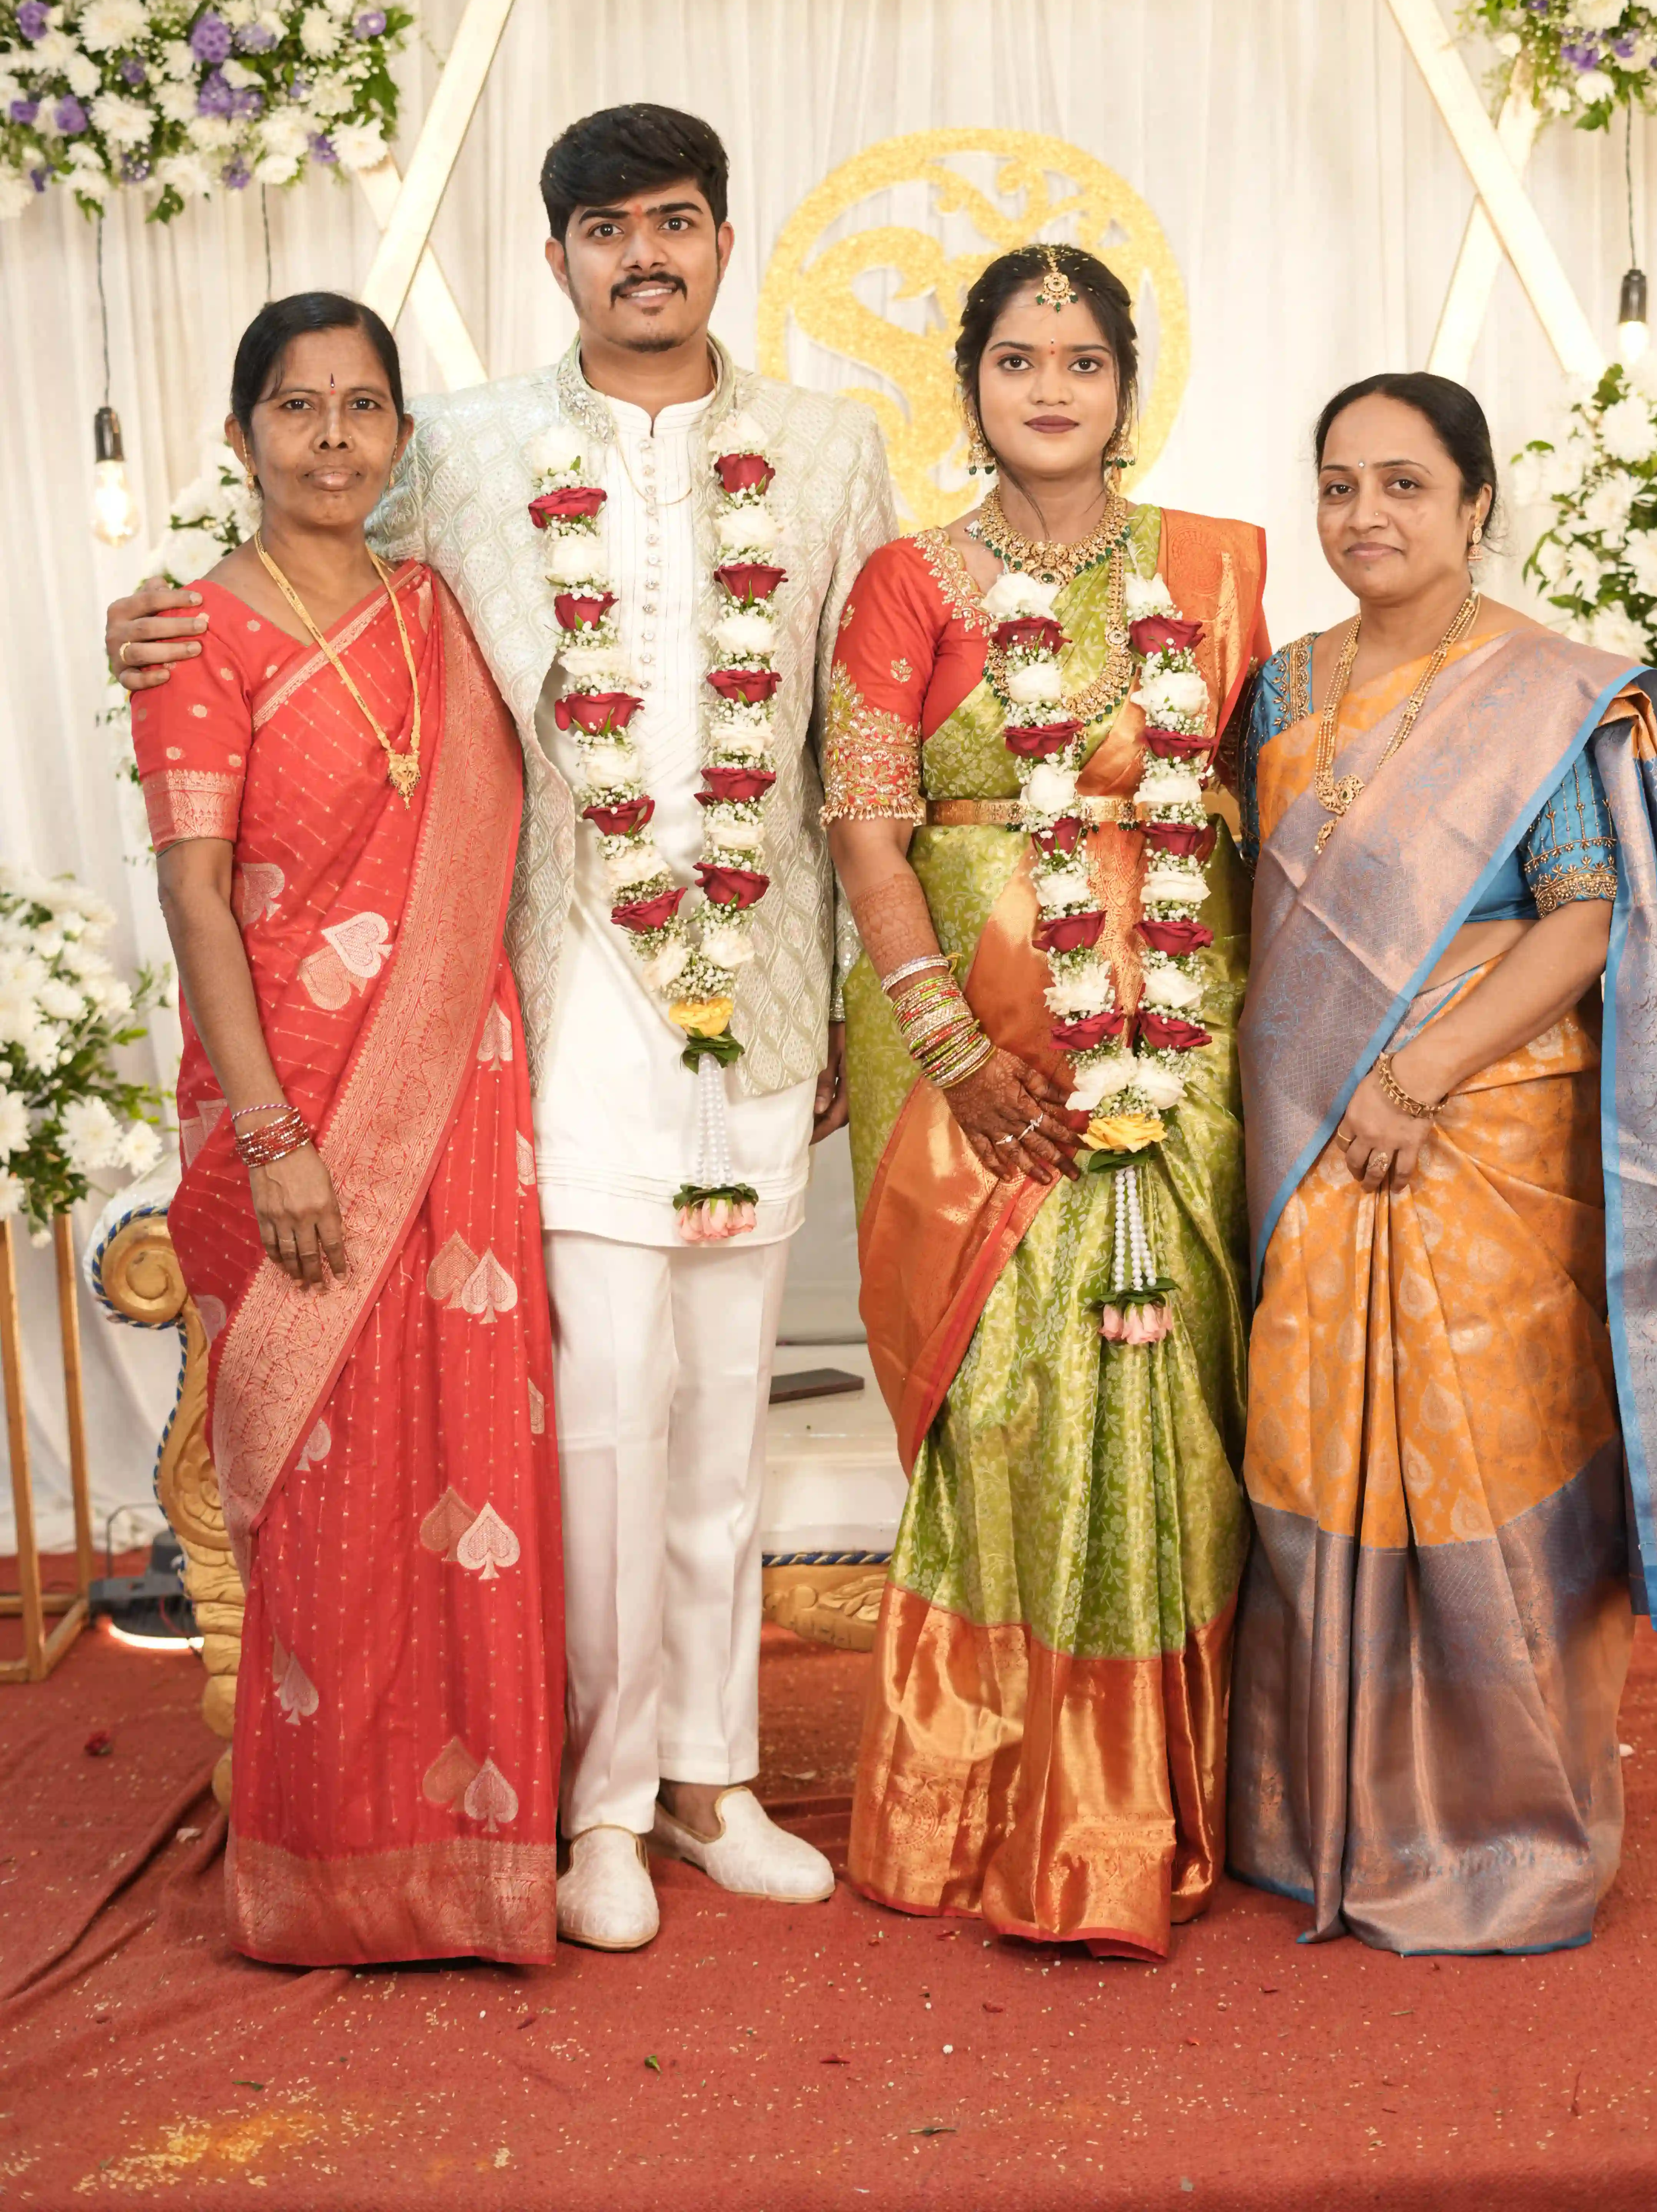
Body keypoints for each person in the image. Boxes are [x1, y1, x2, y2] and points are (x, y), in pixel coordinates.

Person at [108, 104, 896, 1953]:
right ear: (557, 259)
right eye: (608, 228)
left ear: (723, 241)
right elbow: (293, 585)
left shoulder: (831, 447)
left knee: (727, 1403)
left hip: (768, 982)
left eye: (676, 221)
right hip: (567, 990)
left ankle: (711, 1779)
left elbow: (866, 721)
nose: (646, 255)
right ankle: (603, 1801)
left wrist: (867, 996)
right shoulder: (458, 448)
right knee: (603, 1404)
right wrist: (148, 619)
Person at [1228, 370, 1657, 1958]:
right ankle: (1320, 1813)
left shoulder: (1543, 691)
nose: (1365, 515)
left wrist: (1416, 1073)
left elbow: (1582, 921)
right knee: (1313, 1443)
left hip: (1480, 1127)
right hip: (1315, 1135)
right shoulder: (1279, 689)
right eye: (1339, 485)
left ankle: (1503, 1826)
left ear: (1473, 504)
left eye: (1404, 484)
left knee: (1480, 1454)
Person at [824, 243, 1269, 1958]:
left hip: (1177, 1034)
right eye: (1019, 359)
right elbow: (867, 832)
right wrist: (952, 1048)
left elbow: (1264, 806)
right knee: (1004, 1409)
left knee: (1174, 1405)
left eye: (1082, 360)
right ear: (970, 386)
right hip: (973, 1061)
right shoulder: (906, 582)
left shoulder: (1215, 569)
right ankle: (982, 1807)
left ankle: (1160, 1803)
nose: (1052, 388)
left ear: (1127, 386)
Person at [130, 292, 564, 1965]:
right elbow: (194, 898)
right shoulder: (196, 636)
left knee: (473, 1456)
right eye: (296, 408)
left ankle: (479, 1865)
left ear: (400, 433)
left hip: (461, 1087)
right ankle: (327, 1871)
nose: (331, 439)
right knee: (325, 1502)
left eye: (363, 406)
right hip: (291, 1107)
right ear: (240, 435)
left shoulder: (444, 606)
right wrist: (272, 1138)